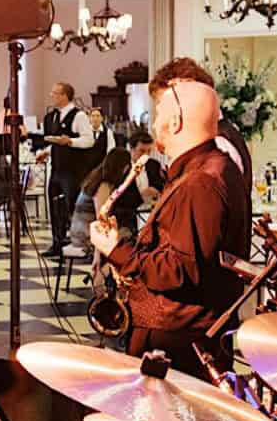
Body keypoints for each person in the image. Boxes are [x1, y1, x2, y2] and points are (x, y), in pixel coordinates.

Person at [92, 62, 251, 380]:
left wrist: (118, 250)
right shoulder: (206, 170)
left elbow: (179, 270)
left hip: (177, 346)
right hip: (183, 336)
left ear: (176, 121)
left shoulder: (200, 181)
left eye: (159, 112)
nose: (154, 123)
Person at [34, 81, 102, 255]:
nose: (52, 96)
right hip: (56, 168)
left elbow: (89, 140)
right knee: (55, 206)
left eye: (55, 93)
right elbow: (56, 141)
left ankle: (78, 243)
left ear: (65, 96)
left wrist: (70, 141)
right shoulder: (53, 116)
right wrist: (47, 152)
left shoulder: (78, 116)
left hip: (73, 170)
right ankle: (57, 242)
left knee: (71, 205)